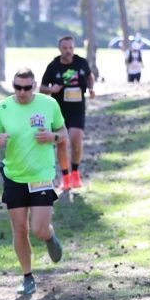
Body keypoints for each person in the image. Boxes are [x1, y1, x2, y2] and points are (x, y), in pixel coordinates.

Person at [0, 68, 70, 296]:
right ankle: (27, 277)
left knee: (38, 229)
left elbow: (63, 132)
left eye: (27, 88)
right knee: (20, 229)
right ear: (13, 86)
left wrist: (52, 137)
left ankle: (49, 236)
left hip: (41, 176)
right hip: (14, 176)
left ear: (34, 86)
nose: (22, 92)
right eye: (17, 87)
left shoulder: (48, 104)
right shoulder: (2, 108)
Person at [40, 36, 94, 191]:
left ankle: (75, 172)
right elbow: (42, 87)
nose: (68, 51)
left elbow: (90, 77)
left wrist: (91, 88)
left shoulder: (81, 63)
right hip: (59, 111)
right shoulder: (53, 66)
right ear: (60, 49)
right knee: (62, 143)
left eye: (70, 48)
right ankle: (65, 177)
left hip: (77, 108)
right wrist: (51, 89)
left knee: (76, 139)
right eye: (65, 48)